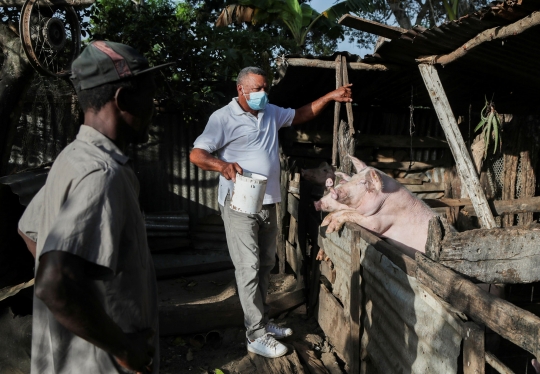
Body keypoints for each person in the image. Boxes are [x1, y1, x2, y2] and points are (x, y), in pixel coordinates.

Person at [18, 40, 172, 374]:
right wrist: (122, 346)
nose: (154, 106)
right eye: (149, 94)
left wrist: (88, 291)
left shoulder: (72, 158)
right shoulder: (102, 174)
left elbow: (30, 230)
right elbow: (53, 282)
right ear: (123, 99)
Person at [189, 66, 352, 358]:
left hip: (266, 200)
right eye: (258, 89)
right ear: (241, 90)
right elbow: (197, 154)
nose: (264, 94)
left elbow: (301, 113)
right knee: (248, 267)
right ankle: (255, 334)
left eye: (266, 88)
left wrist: (330, 97)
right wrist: (222, 166)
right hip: (239, 202)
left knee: (265, 263)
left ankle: (261, 322)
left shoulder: (271, 113)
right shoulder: (223, 118)